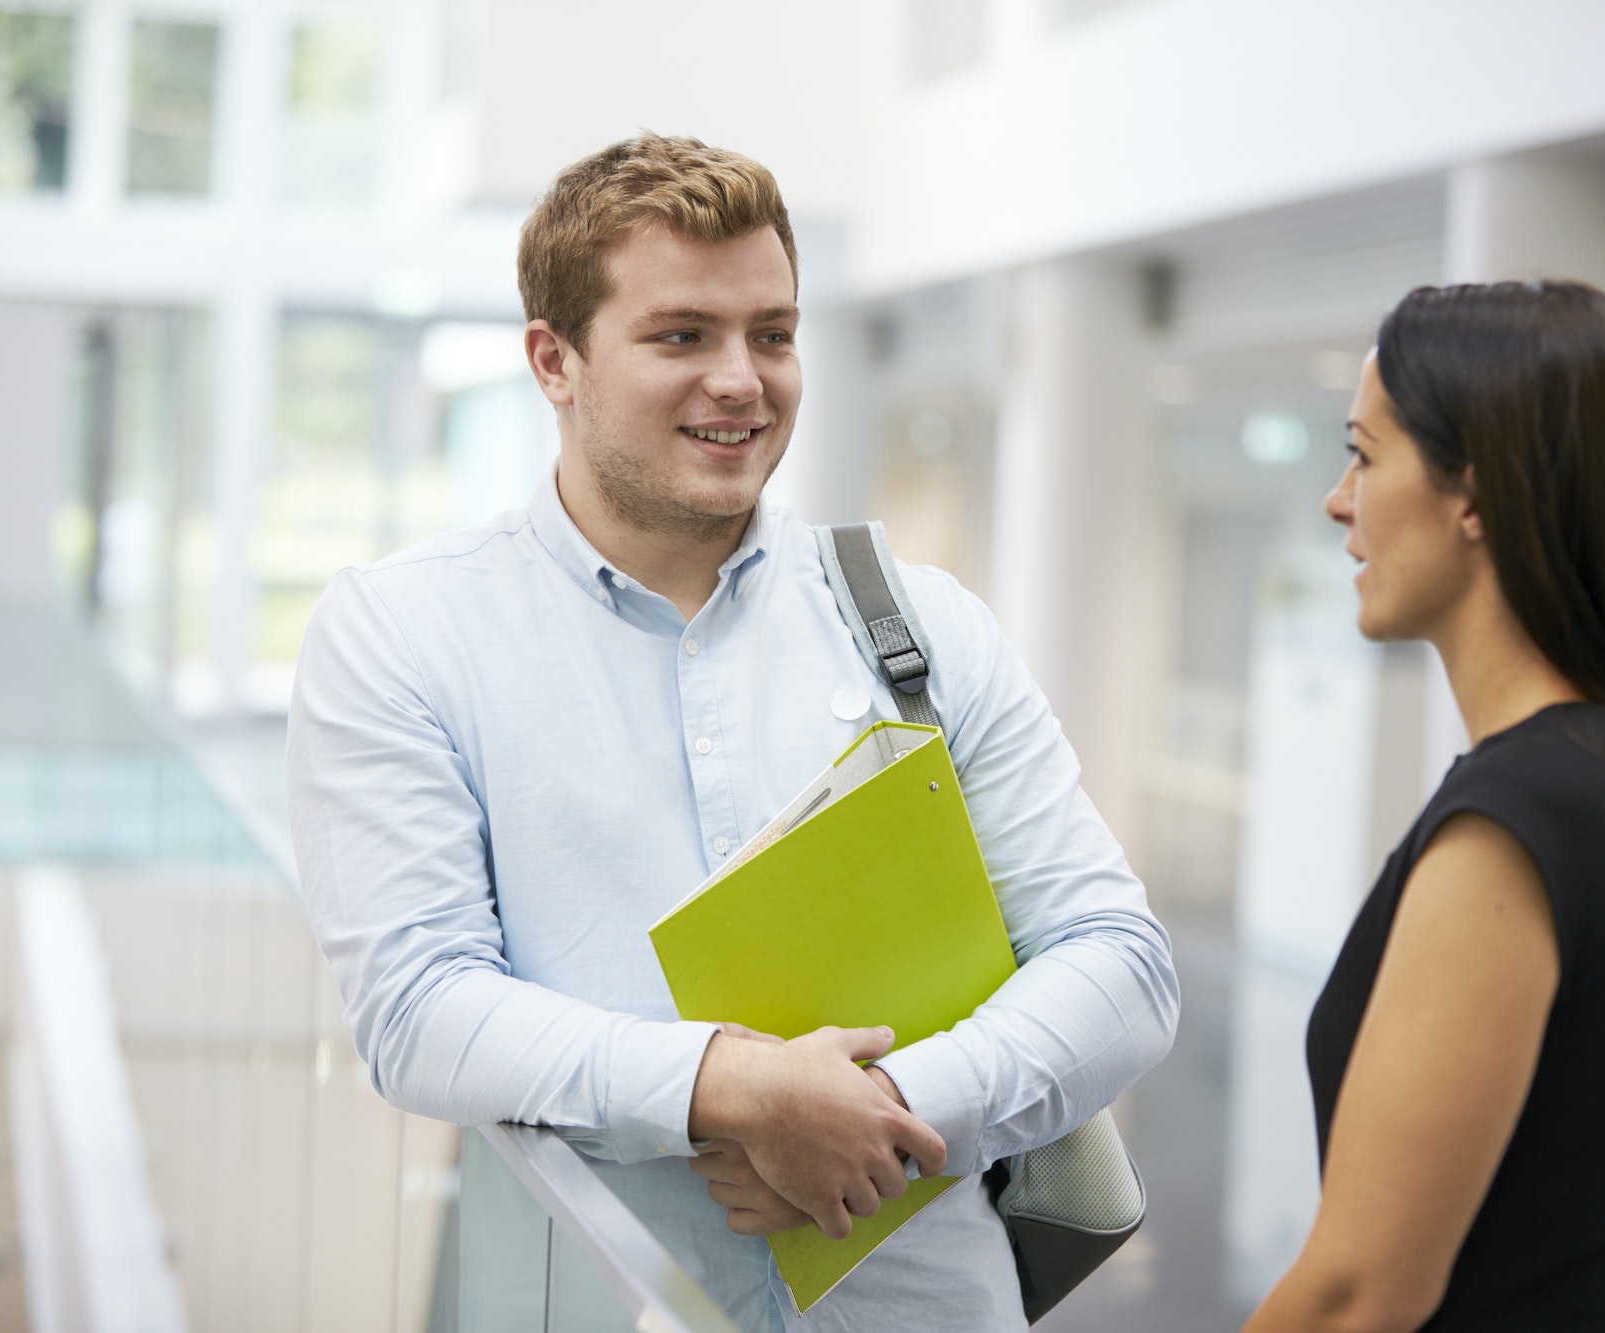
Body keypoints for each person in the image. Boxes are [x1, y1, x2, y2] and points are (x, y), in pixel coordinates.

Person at [285, 133, 1177, 1333]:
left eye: (772, 332)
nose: (742, 381)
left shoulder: (913, 624)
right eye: (680, 336)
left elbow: (1118, 962)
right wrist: (726, 1085)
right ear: (554, 360)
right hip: (601, 1302)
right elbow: (417, 1005)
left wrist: (894, 1109)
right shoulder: (406, 632)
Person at [1243, 281, 1605, 1332]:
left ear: (1472, 494)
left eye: (1364, 453)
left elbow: (1356, 1293)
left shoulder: (1515, 826)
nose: (1339, 499)